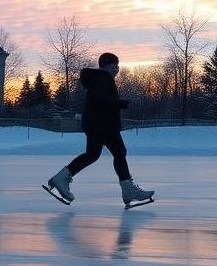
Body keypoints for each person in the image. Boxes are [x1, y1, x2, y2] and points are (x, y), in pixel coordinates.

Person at [46, 52, 154, 207]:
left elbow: (99, 100)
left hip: (96, 124)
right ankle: (128, 190)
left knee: (93, 155)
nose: (118, 69)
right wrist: (121, 103)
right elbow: (101, 100)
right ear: (109, 66)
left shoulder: (98, 79)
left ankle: (61, 177)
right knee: (119, 152)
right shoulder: (103, 79)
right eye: (116, 65)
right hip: (103, 125)